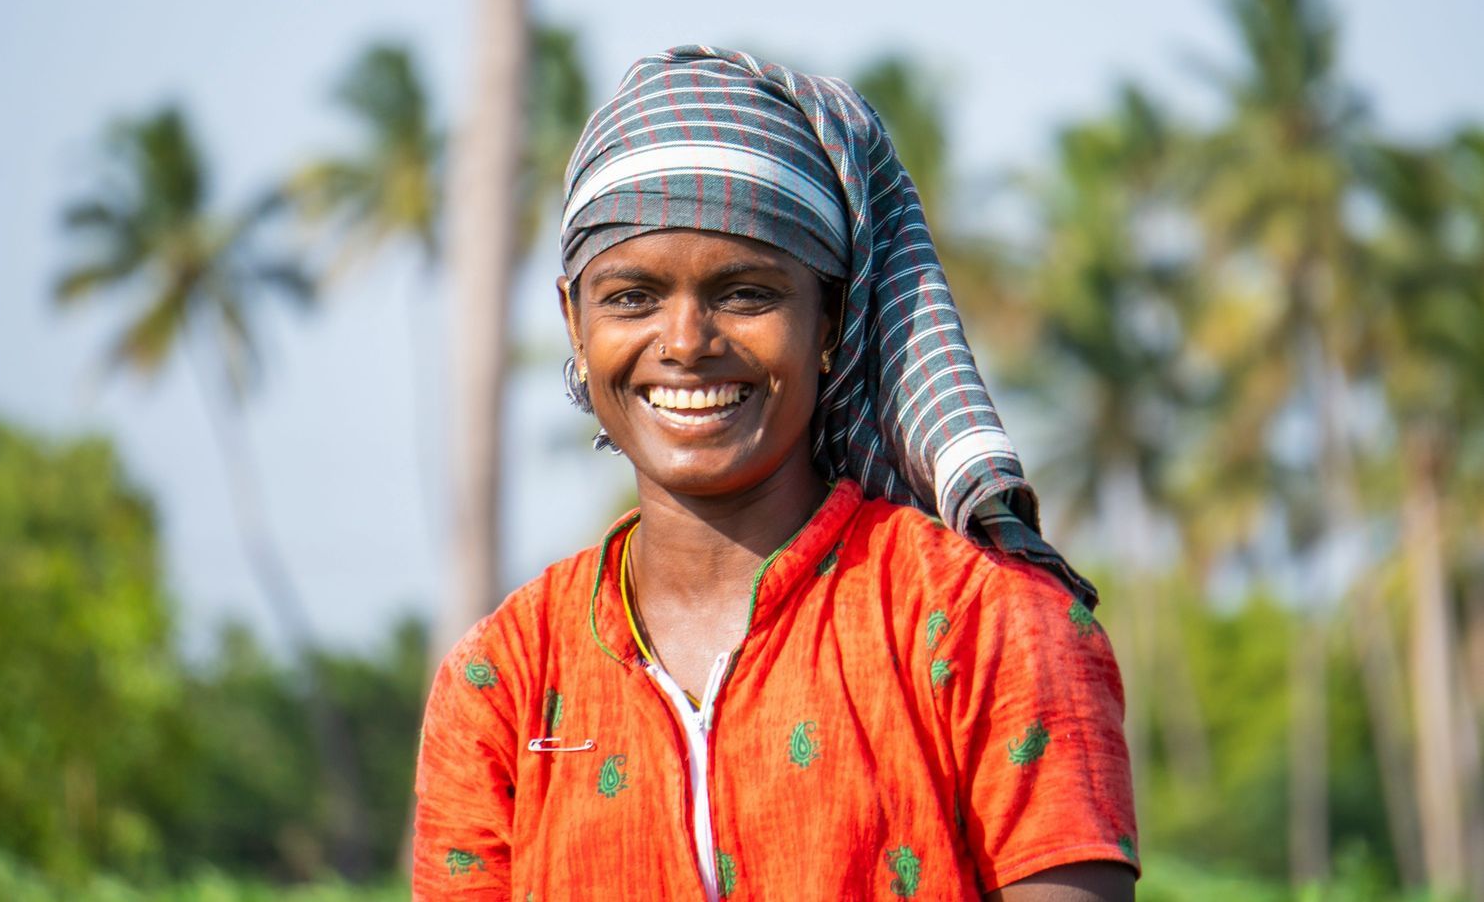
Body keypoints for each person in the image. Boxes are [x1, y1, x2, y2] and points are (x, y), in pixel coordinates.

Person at [413, 45, 1138, 901]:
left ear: (830, 318)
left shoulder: (988, 627)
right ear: (574, 320)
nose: (685, 342)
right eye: (631, 298)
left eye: (746, 293)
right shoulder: (502, 680)